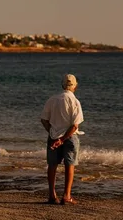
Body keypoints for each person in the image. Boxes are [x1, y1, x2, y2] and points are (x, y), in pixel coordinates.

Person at [40, 73, 84, 205]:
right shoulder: (75, 101)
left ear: (62, 85)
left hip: (53, 135)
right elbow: (75, 125)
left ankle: (52, 195)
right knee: (69, 165)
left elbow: (44, 120)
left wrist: (53, 132)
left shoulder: (52, 99)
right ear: (75, 87)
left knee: (52, 165)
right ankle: (66, 196)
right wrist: (63, 139)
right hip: (70, 138)